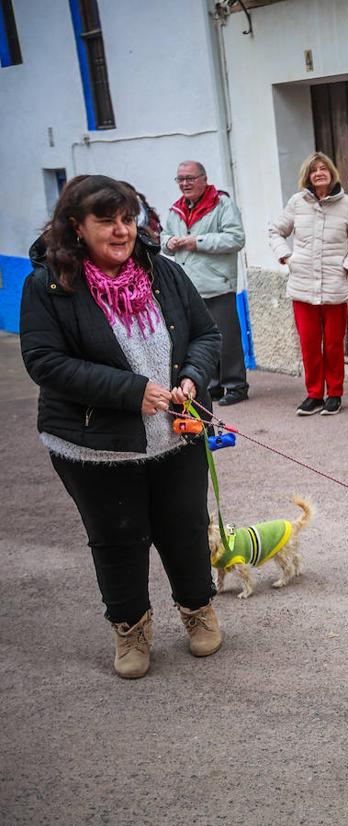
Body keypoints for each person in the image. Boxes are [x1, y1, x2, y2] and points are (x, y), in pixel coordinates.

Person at [20, 174, 225, 678]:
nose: (121, 231)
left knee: (186, 527)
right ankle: (130, 628)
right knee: (118, 536)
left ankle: (198, 610)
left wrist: (193, 379)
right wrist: (131, 391)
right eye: (106, 221)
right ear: (76, 227)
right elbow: (44, 361)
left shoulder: (163, 271)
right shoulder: (47, 284)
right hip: (95, 447)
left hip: (175, 436)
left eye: (128, 219)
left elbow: (205, 334)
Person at [268, 152, 348, 417]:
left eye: (323, 169)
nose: (319, 173)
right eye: (314, 170)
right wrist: (287, 257)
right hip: (302, 286)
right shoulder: (297, 202)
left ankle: (334, 394)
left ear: (332, 173)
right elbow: (275, 231)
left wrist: (346, 267)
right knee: (309, 344)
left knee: (334, 345)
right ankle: (314, 394)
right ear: (308, 176)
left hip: (335, 287)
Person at [160, 160, 249, 406]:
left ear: (204, 178)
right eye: (180, 179)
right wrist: (169, 243)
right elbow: (164, 237)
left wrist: (196, 241)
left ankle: (235, 385)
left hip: (218, 282)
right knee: (200, 339)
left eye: (190, 178)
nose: (185, 184)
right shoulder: (176, 209)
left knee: (227, 337)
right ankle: (212, 384)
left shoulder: (222, 204)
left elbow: (235, 238)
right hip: (189, 286)